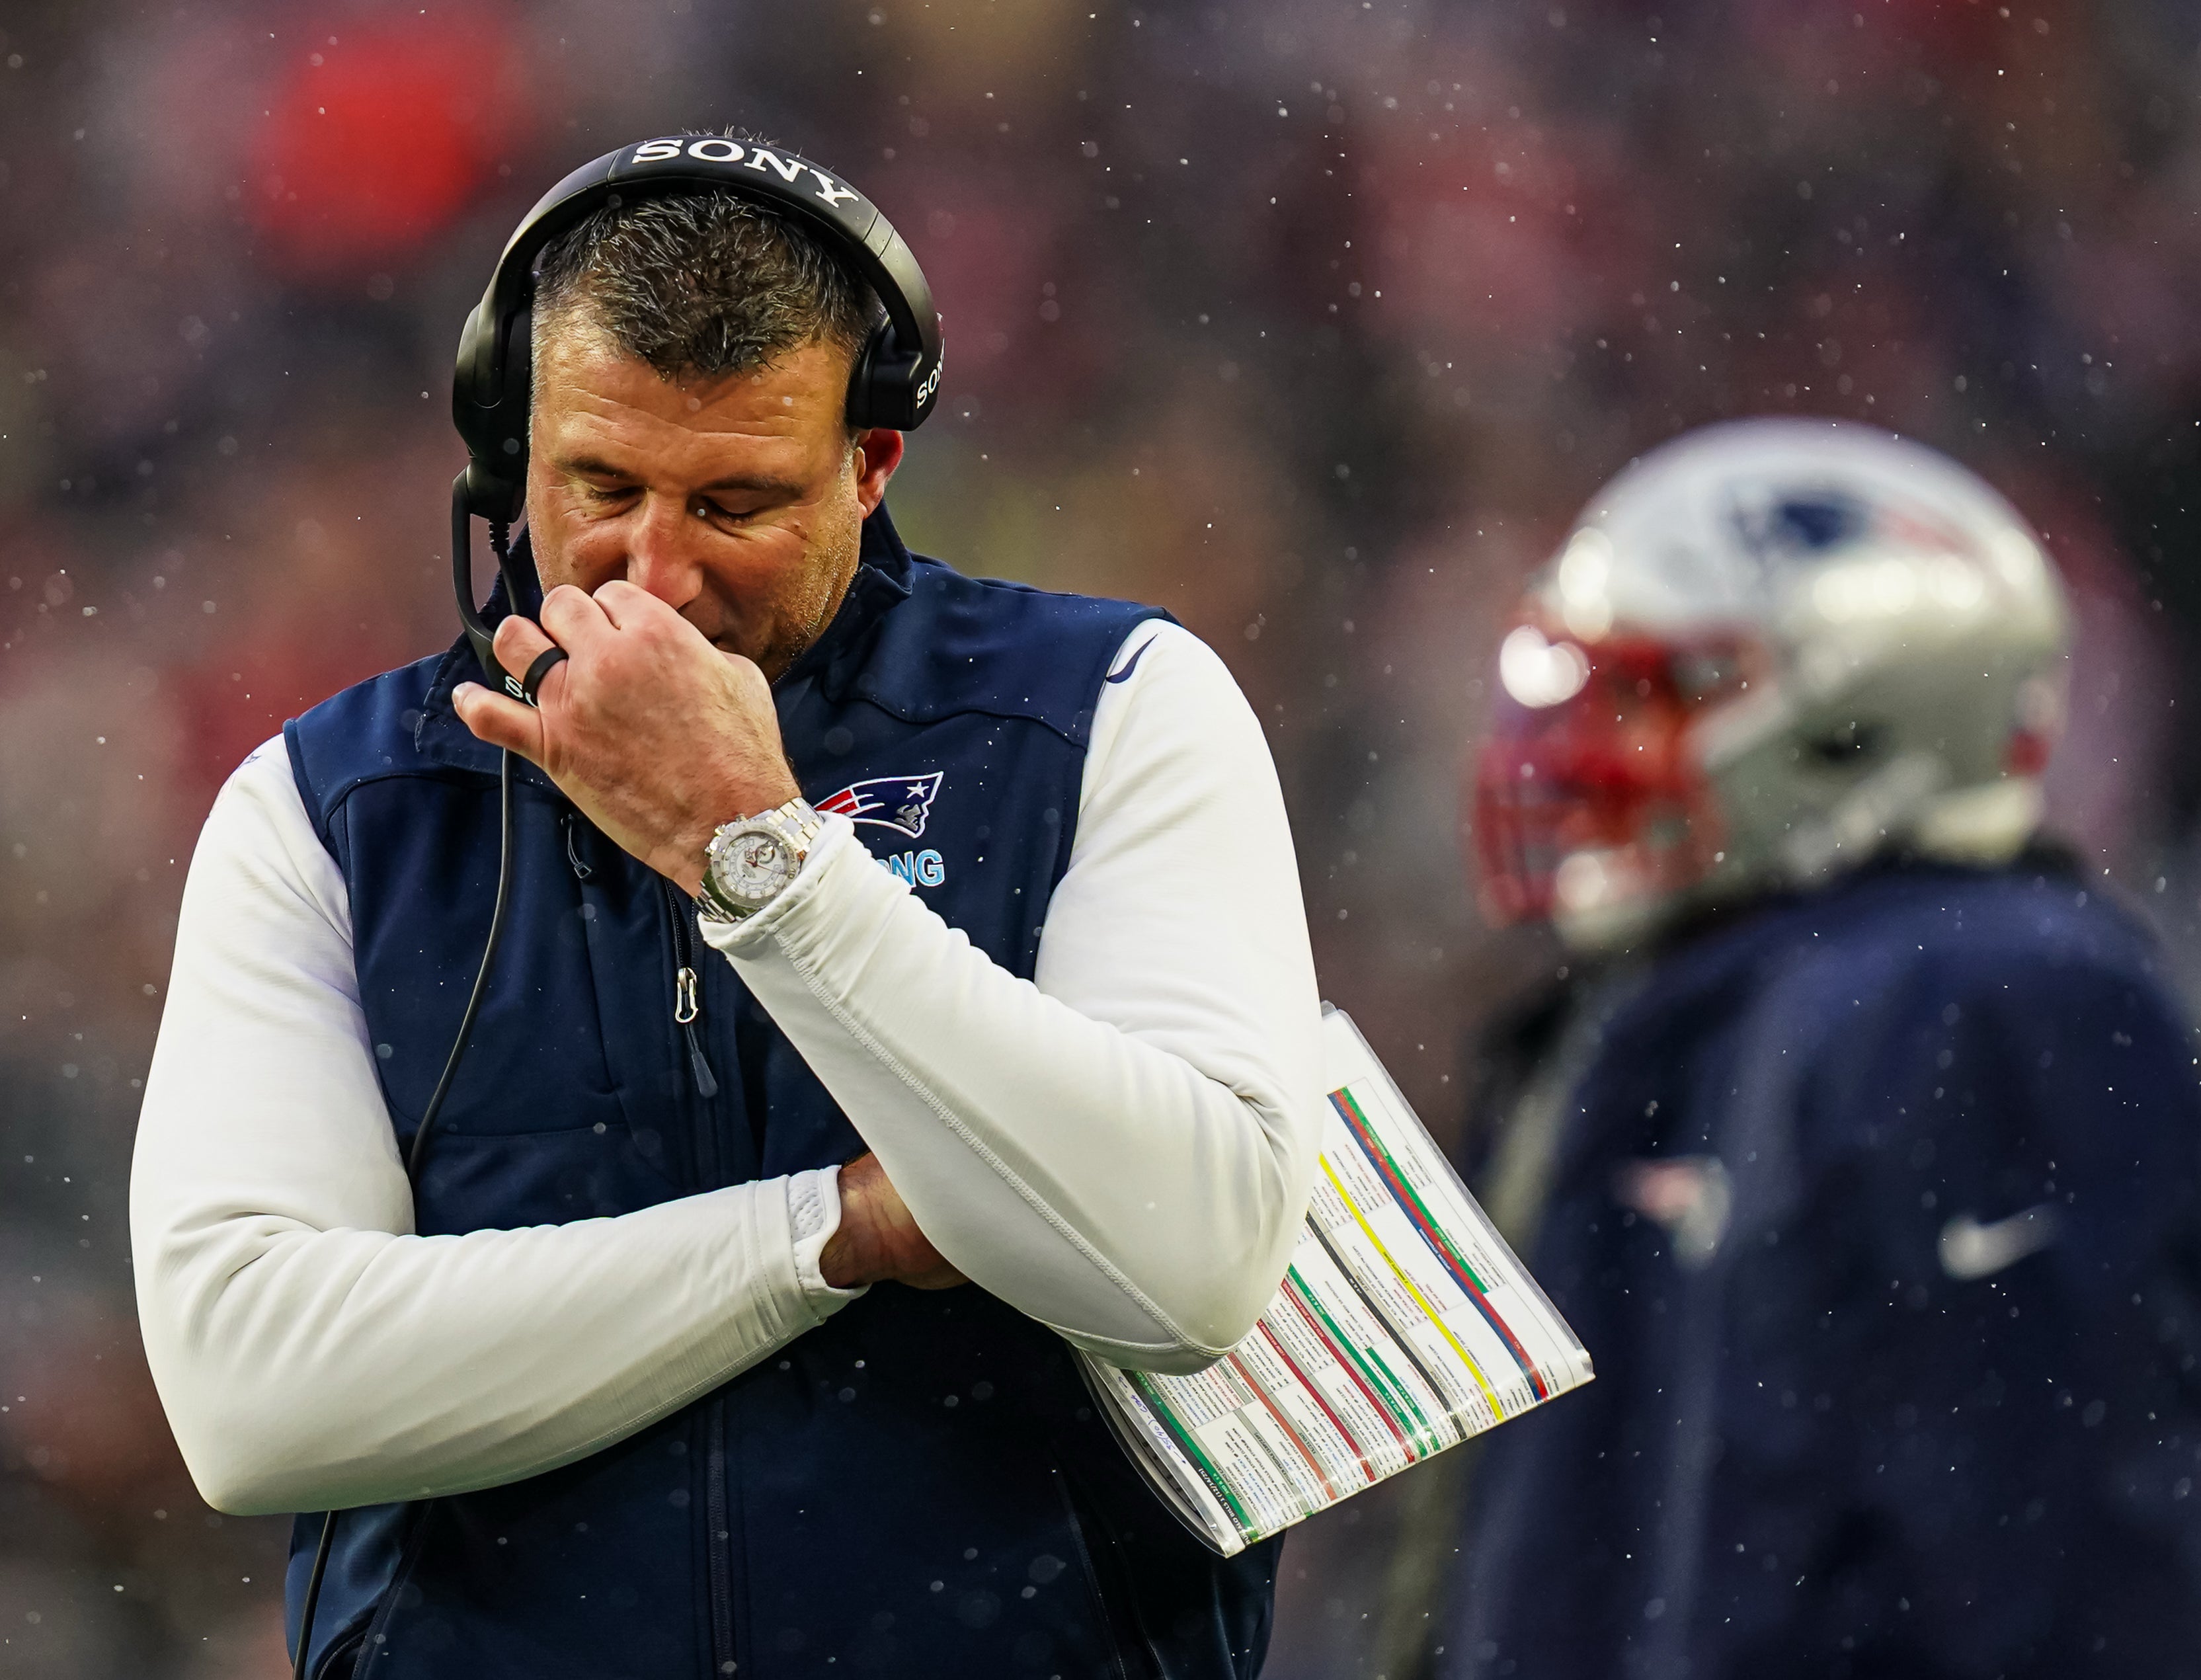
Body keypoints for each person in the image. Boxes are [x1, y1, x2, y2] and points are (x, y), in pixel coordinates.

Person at [127, 136, 1324, 1679]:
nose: (659, 571)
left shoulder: (1116, 708)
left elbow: (1190, 1264)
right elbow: (250, 1394)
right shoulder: (326, 808)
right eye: (601, 486)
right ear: (510, 451)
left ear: (872, 463)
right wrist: (824, 1233)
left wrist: (757, 851)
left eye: (737, 501)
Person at [1410, 418, 2201, 1677]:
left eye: (1650, 694)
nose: (1584, 749)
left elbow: (2059, 1568)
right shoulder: (1661, 1006)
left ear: (1855, 715)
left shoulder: (1980, 994)